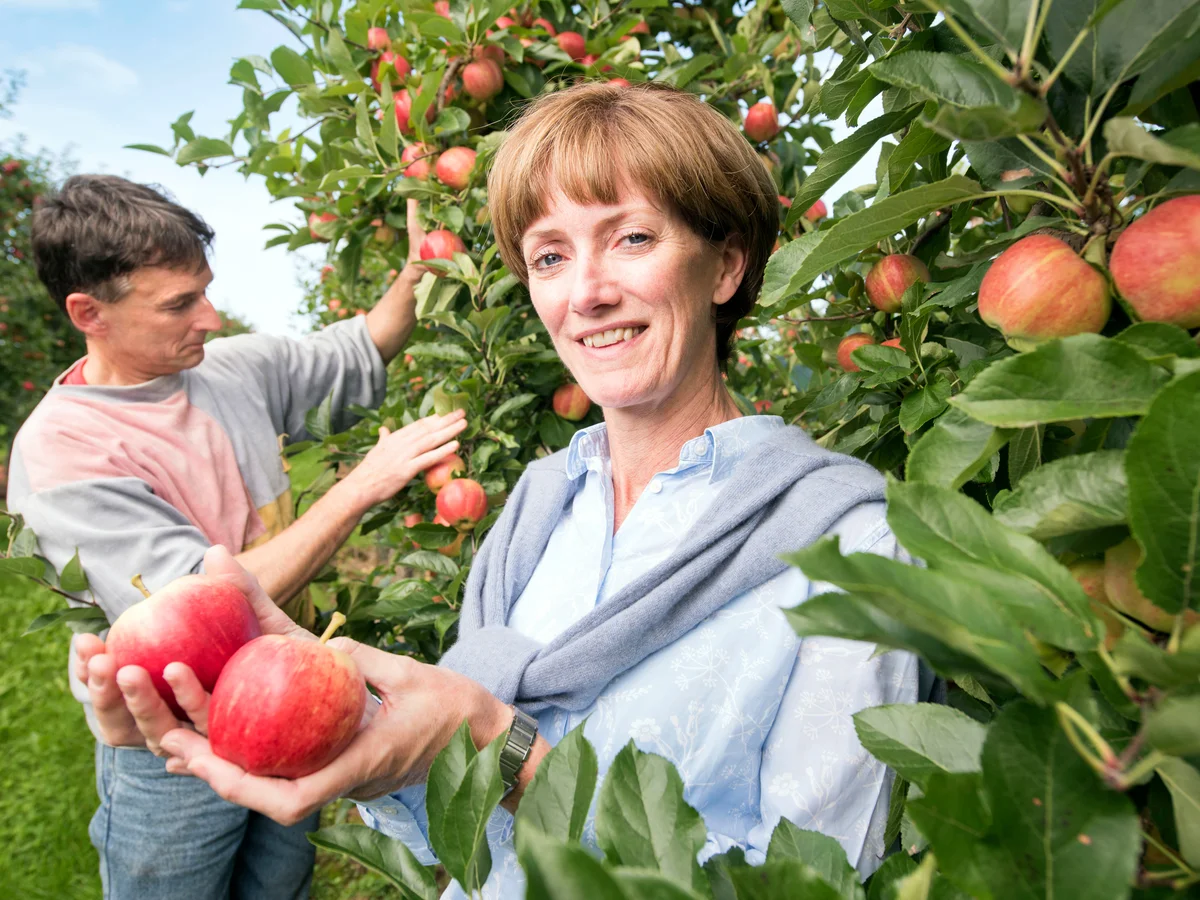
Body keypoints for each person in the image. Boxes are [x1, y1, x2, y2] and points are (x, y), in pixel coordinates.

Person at [80, 83, 926, 897]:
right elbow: (459, 841)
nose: (587, 293)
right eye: (550, 256)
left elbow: (815, 887)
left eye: (632, 238)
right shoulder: (540, 508)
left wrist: (500, 745)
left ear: (726, 266)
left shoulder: (853, 549)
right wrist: (345, 727)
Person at [8, 175, 467, 899]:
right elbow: (207, 608)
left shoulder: (229, 369)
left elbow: (361, 347)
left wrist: (419, 271)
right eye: (179, 304)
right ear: (88, 312)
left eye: (206, 291)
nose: (210, 317)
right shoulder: (65, 452)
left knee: (280, 885)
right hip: (172, 739)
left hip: (293, 696)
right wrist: (362, 486)